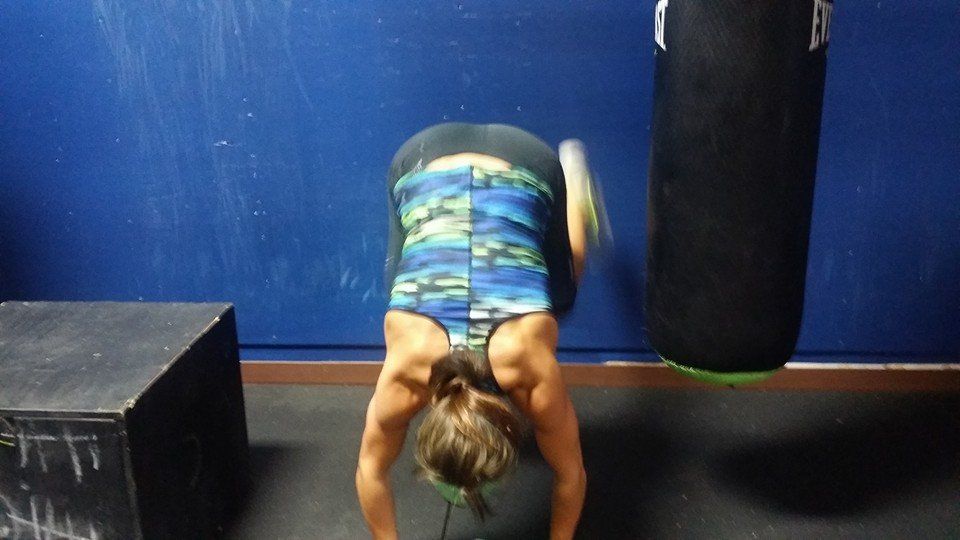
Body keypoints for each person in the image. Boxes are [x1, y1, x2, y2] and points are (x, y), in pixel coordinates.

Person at [356, 123, 593, 539]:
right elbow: (569, 475)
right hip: (421, 157)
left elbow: (371, 470)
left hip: (522, 165)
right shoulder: (407, 373)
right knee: (399, 282)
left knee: (565, 288)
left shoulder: (529, 368)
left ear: (508, 427)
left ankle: (576, 186)